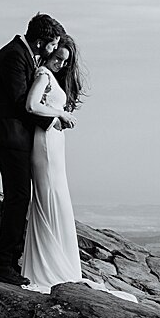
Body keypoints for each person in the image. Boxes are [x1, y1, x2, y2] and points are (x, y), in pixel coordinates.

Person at [19, 34, 137, 302]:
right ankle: (48, 268)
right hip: (46, 143)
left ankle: (54, 262)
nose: (61, 64)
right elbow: (31, 105)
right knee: (51, 198)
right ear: (48, 54)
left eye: (65, 60)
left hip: (53, 142)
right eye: (58, 57)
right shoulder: (43, 76)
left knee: (56, 199)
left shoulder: (52, 77)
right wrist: (60, 114)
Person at [0, 14, 66, 285]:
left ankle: (10, 261)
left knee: (19, 199)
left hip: (16, 138)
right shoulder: (13, 56)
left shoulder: (21, 54)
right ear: (41, 42)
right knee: (17, 199)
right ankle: (1, 264)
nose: (55, 50)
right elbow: (22, 103)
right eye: (53, 45)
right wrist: (53, 118)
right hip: (11, 138)